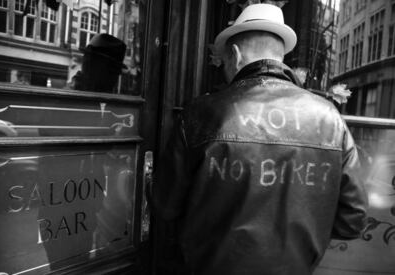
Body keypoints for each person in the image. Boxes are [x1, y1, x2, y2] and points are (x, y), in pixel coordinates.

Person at [153, 3, 368, 275]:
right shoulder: (329, 117)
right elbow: (352, 220)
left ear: (235, 53)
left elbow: (165, 206)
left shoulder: (202, 113)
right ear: (281, 57)